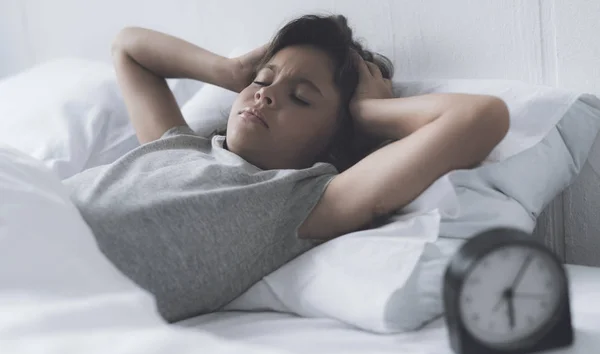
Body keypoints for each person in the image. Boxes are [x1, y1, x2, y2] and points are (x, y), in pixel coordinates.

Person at [62, 14, 509, 323]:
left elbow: (481, 117)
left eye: (301, 97)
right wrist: (231, 67)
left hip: (57, 279)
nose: (264, 95)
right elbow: (129, 48)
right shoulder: (180, 145)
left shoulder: (302, 200)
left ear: (335, 142)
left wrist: (370, 111)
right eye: (262, 80)